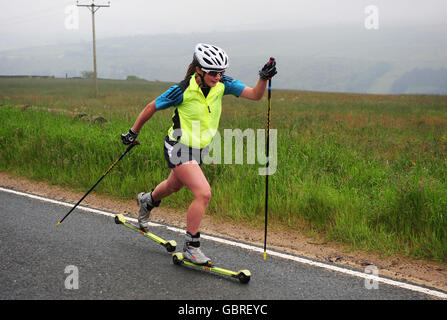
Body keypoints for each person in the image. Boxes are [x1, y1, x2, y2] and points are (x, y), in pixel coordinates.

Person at [121, 43, 277, 266]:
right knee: (203, 193)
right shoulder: (182, 90)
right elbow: (150, 108)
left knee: (173, 186)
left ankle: (147, 200)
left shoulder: (224, 84)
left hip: (200, 149)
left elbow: (255, 95)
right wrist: (132, 132)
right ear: (199, 70)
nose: (218, 76)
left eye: (221, 71)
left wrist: (263, 77)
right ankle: (191, 247)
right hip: (178, 145)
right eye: (213, 72)